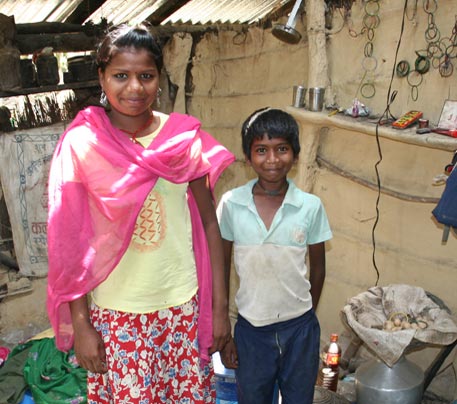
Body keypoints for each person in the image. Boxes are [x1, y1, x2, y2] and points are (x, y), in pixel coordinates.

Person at [46, 23, 235, 403]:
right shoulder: (83, 145)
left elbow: (210, 224)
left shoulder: (183, 139)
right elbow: (70, 243)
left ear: (159, 79)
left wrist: (218, 310)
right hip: (117, 315)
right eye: (121, 76)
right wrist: (81, 324)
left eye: (145, 76)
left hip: (181, 309)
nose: (134, 88)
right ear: (102, 77)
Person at [216, 108, 332, 404]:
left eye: (281, 149)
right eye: (261, 150)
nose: (272, 159)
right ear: (247, 156)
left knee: (298, 399)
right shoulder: (232, 204)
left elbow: (318, 270)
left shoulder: (310, 206)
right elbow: (221, 268)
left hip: (299, 331)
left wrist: (305, 320)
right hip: (251, 331)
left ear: (294, 154)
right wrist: (227, 331)